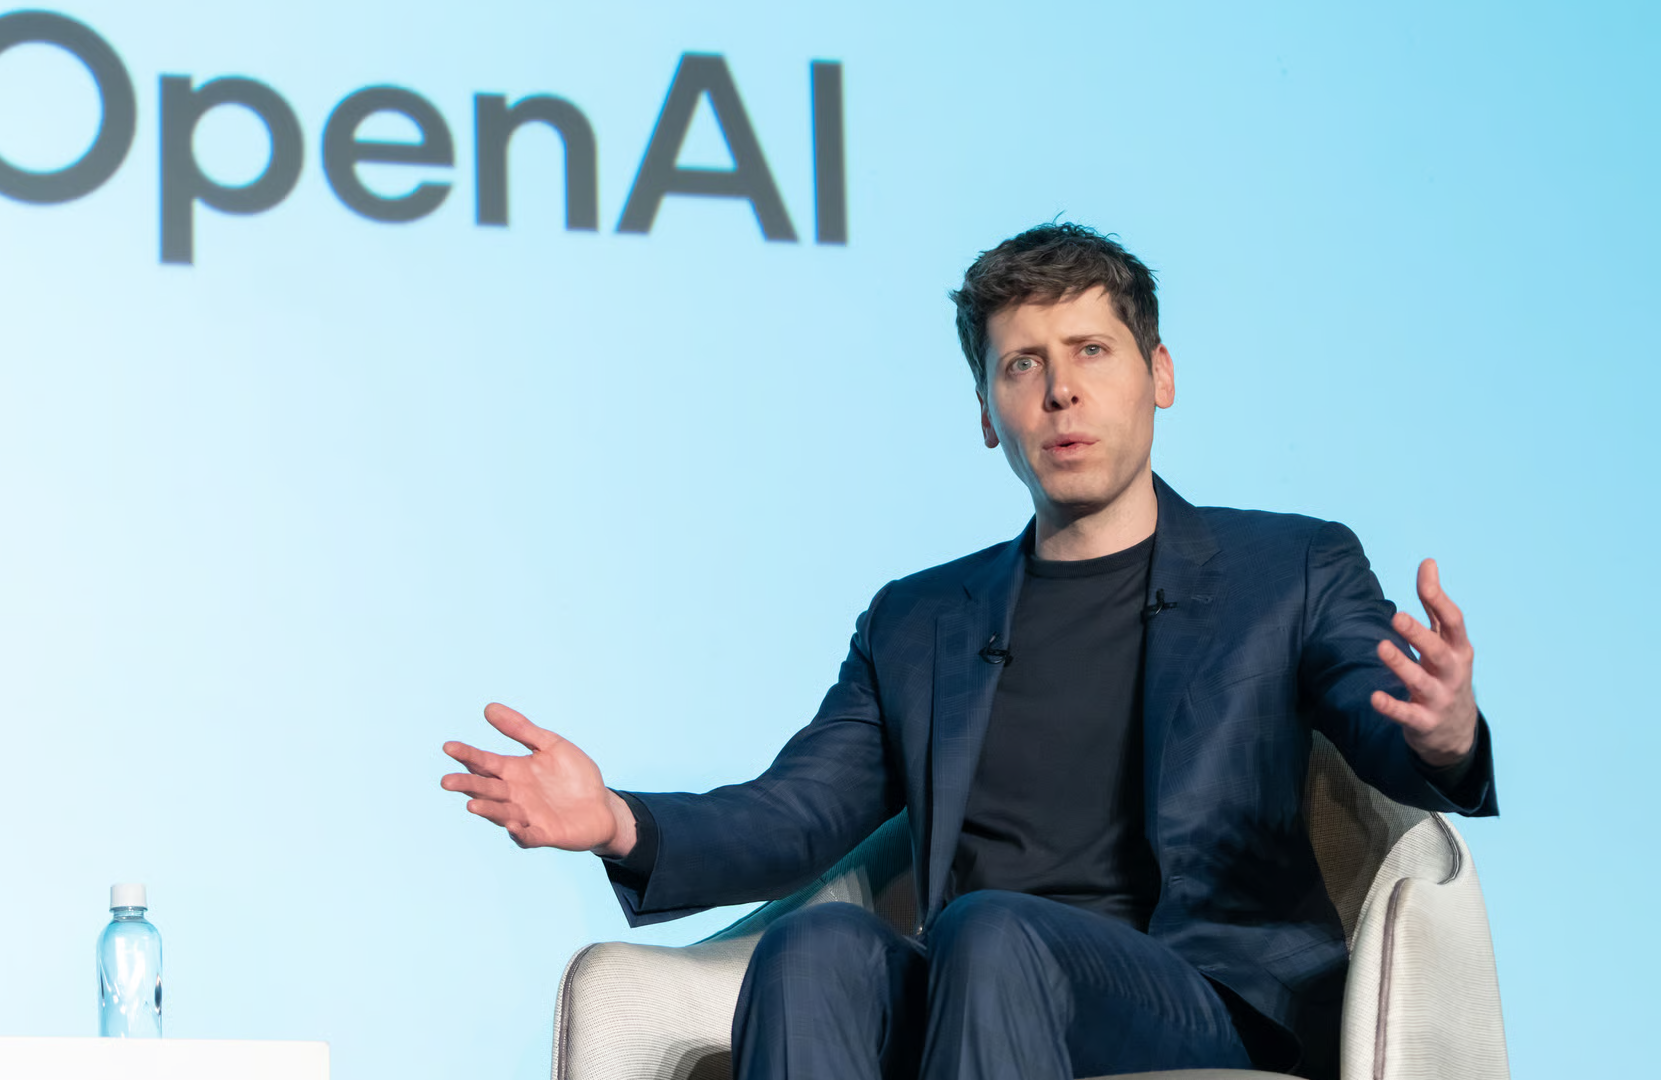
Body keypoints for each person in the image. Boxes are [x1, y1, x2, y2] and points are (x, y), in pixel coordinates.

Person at [439, 223, 1496, 1080]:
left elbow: (1382, 713)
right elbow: (800, 809)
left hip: (1198, 995)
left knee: (992, 932)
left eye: (1091, 351)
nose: (1061, 391)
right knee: (814, 949)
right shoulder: (918, 621)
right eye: (1023, 365)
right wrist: (621, 821)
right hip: (972, 980)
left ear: (1159, 374)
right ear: (990, 414)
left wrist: (1445, 734)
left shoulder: (1290, 566)